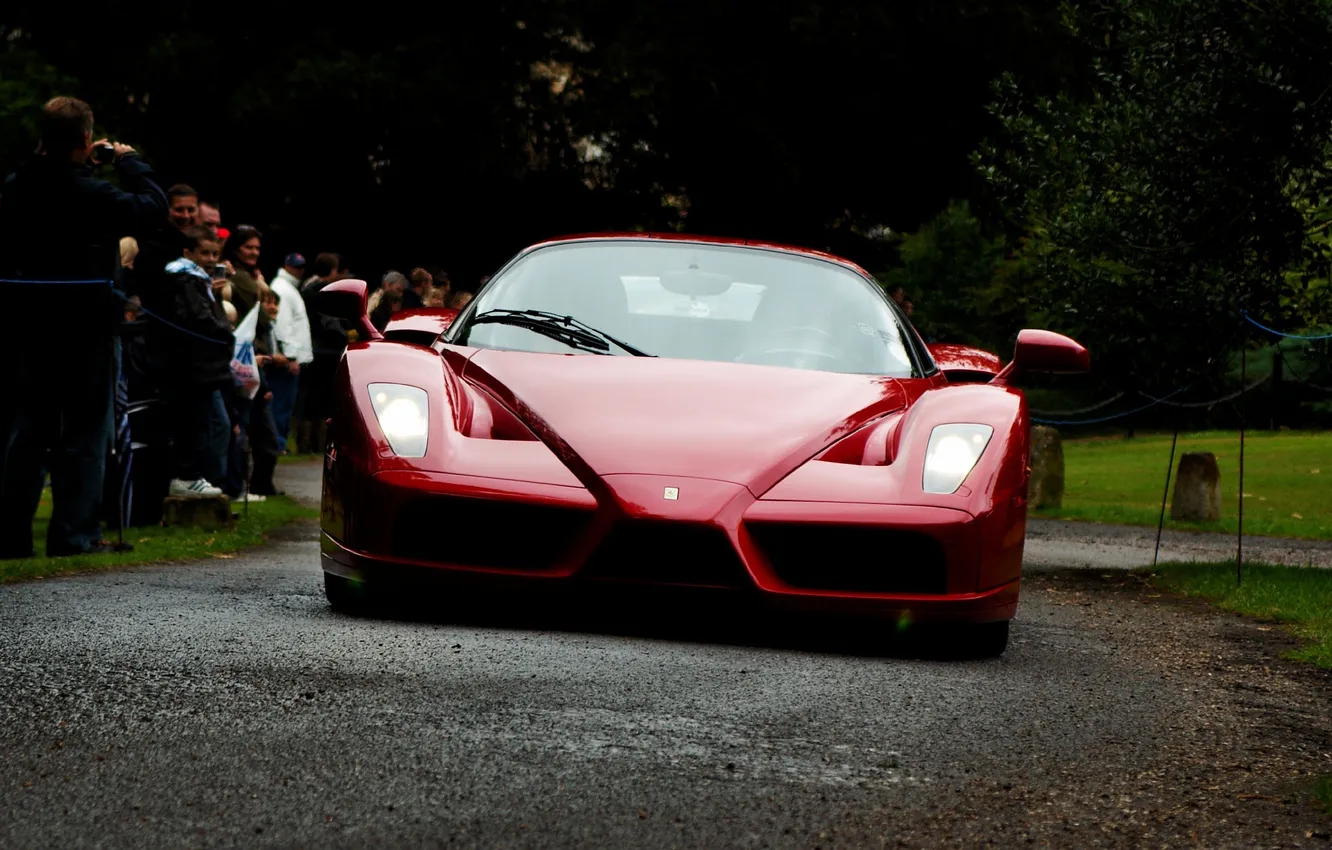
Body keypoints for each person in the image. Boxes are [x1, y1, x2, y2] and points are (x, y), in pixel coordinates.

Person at [0, 96, 168, 558]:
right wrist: (129, 162)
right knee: (85, 431)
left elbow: (41, 177)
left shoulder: (16, 187)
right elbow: (153, 209)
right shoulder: (93, 194)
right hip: (88, 326)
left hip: (29, 325)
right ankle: (72, 536)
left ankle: (11, 536)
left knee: (28, 430)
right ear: (87, 140)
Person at [152, 226, 235, 497]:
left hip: (197, 367)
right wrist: (225, 333)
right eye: (205, 253)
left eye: (215, 254)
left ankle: (193, 474)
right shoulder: (186, 279)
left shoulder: (196, 279)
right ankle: (187, 476)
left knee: (203, 423)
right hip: (192, 368)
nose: (211, 259)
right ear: (188, 253)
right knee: (194, 423)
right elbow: (200, 321)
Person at [266, 253, 313, 448]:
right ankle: (276, 445)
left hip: (287, 359)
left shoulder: (288, 288)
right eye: (295, 266)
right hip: (285, 361)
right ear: (286, 266)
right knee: (281, 406)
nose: (299, 270)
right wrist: (291, 356)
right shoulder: (283, 290)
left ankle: (277, 444)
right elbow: (282, 325)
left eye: (302, 266)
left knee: (284, 405)